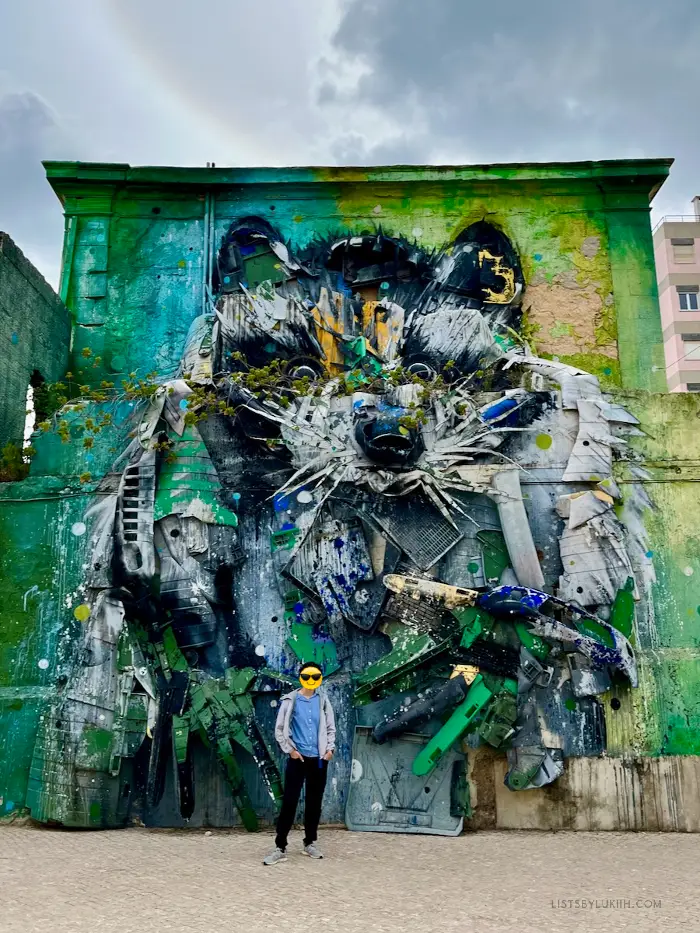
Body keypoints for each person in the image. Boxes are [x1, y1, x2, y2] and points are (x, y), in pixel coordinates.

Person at [263, 662, 336, 864]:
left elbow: (330, 727)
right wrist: (291, 751)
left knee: (314, 802)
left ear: (319, 678)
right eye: (307, 676)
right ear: (301, 677)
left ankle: (309, 843)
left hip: (319, 760)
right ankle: (280, 847)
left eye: (316, 676)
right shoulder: (290, 700)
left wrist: (329, 750)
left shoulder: (322, 701)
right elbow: (279, 730)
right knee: (290, 802)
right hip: (298, 759)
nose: (311, 681)